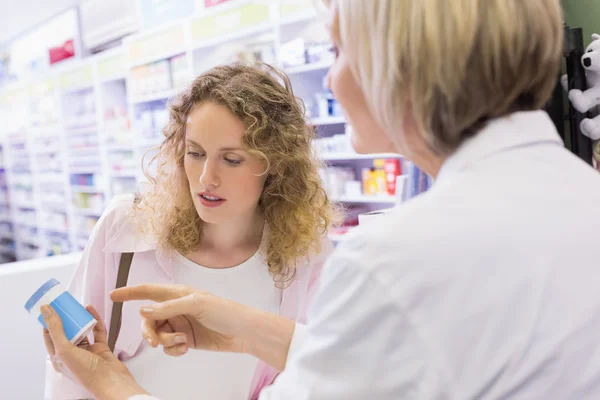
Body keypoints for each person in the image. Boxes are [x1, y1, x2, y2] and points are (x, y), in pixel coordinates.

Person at [44, 0, 600, 398]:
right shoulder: (583, 200)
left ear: (398, 64)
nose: (331, 81)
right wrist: (247, 327)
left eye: (339, 49)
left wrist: (113, 386)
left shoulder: (389, 262)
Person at [43, 63, 338, 400]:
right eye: (195, 153)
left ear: (275, 163)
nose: (205, 178)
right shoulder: (126, 226)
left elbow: (319, 373)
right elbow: (75, 364)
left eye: (231, 159)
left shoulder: (305, 253)